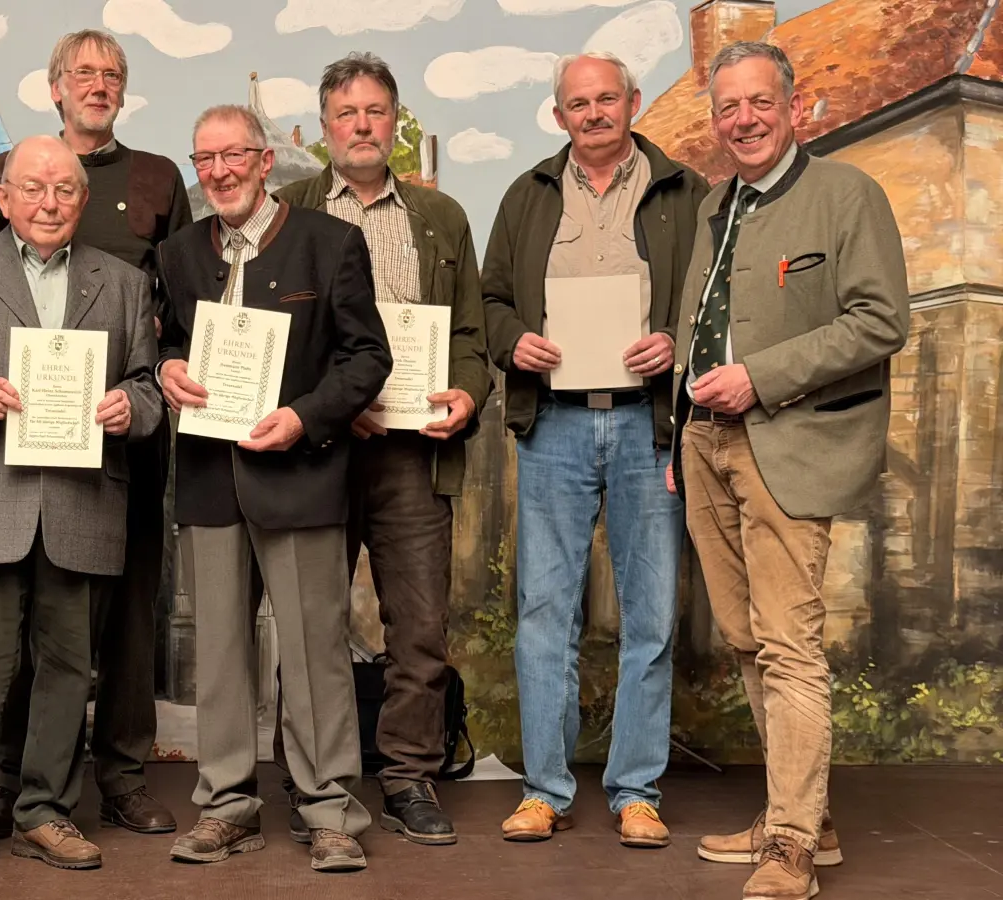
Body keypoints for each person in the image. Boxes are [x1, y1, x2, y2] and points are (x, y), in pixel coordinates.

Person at [670, 40, 908, 900]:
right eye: (728, 106)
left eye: (759, 102)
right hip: (704, 445)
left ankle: (794, 848)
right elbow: (702, 329)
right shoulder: (712, 207)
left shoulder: (848, 195)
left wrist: (760, 378)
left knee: (788, 646)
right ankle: (799, 815)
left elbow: (882, 321)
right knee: (744, 639)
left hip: (788, 444)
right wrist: (679, 438)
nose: (744, 119)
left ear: (796, 108)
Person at [0, 135, 163, 877]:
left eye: (66, 191)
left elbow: (149, 387)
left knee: (69, 670)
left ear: (82, 201)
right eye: (33, 189)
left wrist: (128, 411)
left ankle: (45, 811)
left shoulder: (123, 282)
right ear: (4, 198)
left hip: (80, 506)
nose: (50, 203)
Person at [481, 52, 709, 847]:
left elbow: (713, 304)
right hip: (556, 426)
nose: (593, 113)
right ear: (559, 116)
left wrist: (673, 346)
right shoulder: (527, 195)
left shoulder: (687, 193)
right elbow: (491, 301)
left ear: (633, 102)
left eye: (606, 98)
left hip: (650, 427)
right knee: (545, 612)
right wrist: (517, 344)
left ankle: (635, 791)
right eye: (577, 103)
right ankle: (544, 789)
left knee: (650, 614)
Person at [0, 28, 192, 836]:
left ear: (123, 92)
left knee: (132, 608)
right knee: (26, 608)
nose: (98, 85)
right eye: (84, 74)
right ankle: (10, 776)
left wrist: (157, 383)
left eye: (112, 75)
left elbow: (181, 305)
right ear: (54, 85)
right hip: (18, 437)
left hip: (119, 433)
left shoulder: (159, 177)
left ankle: (124, 775)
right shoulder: (10, 168)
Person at [159, 104, 392, 873]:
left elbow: (366, 359)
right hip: (209, 481)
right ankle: (226, 805)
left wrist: (303, 418)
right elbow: (165, 343)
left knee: (316, 651)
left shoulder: (332, 244)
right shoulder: (179, 254)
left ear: (265, 161)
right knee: (220, 656)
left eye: (234, 156)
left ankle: (328, 809)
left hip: (301, 474)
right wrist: (165, 370)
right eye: (205, 159)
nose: (219, 172)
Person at [275, 51, 491, 846]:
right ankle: (310, 779)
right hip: (317, 450)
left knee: (420, 625)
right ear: (326, 126)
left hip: (413, 453)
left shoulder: (440, 218)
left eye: (375, 113)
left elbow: (469, 334)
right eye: (346, 114)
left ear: (394, 124)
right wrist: (336, 403)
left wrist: (466, 393)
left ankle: (408, 775)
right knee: (309, 621)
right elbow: (274, 340)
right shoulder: (288, 208)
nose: (362, 126)